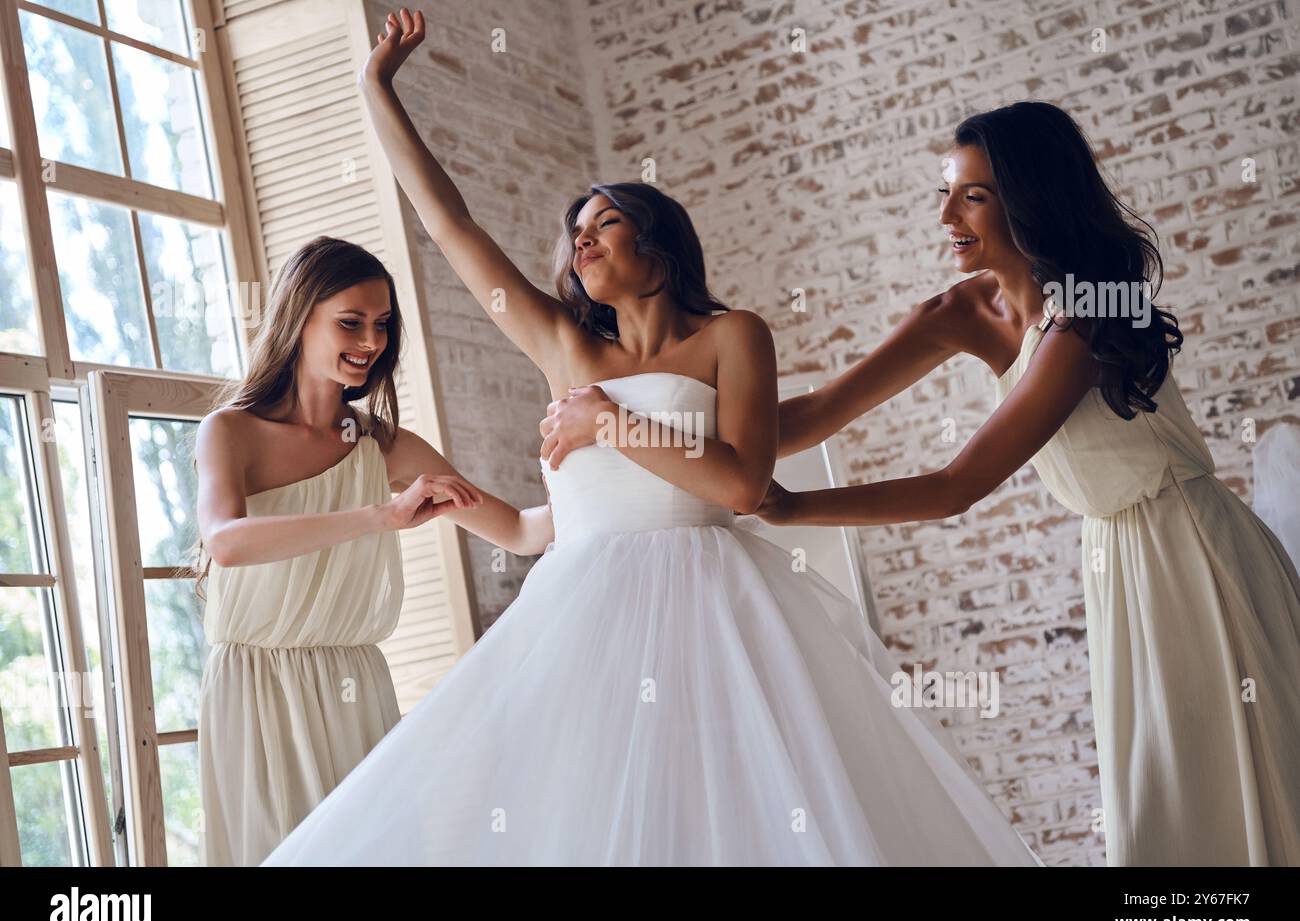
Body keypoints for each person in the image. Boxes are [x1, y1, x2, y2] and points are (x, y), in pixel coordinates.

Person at [258, 10, 1039, 866]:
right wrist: (376, 87)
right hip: (582, 619)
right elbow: (451, 227)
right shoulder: (566, 346)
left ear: (657, 238)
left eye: (604, 221)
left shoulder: (734, 336)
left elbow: (742, 485)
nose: (582, 237)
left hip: (721, 607)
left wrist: (608, 421)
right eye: (575, 232)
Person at [757, 102, 1300, 866]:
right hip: (1117, 562)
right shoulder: (958, 312)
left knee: (1212, 796)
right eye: (945, 192)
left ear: (1030, 198)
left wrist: (790, 506)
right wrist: (678, 424)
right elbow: (813, 414)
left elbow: (958, 484)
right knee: (1161, 810)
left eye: (972, 194)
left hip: (1194, 558)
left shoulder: (1082, 319)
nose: (946, 214)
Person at [195, 236, 553, 865]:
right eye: (351, 322)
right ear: (299, 318)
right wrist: (379, 516)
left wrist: (617, 465)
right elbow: (225, 543)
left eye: (382, 324)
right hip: (257, 690)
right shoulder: (230, 431)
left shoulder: (385, 445)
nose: (371, 341)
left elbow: (521, 532)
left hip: (354, 686)